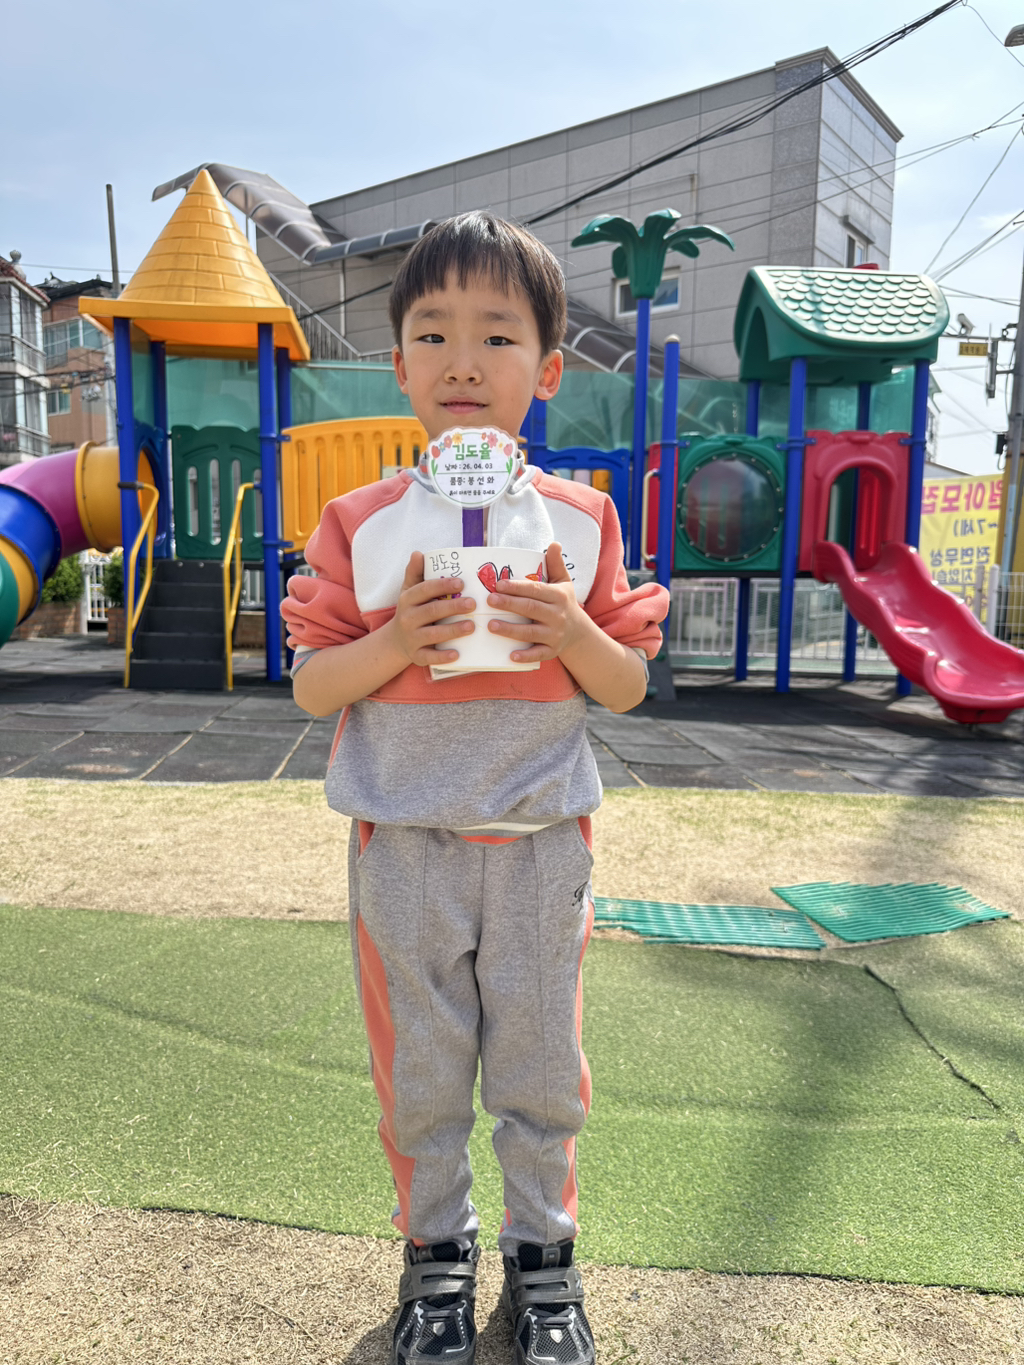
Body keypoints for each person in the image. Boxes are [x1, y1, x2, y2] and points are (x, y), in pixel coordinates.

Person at [283, 212, 669, 1365]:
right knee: (422, 1067)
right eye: (433, 333)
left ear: (546, 371)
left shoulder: (581, 521)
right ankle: (435, 1257)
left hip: (543, 842)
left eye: (497, 336)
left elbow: (628, 684)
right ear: (398, 365)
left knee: (543, 1066)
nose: (463, 360)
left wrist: (571, 632)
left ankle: (543, 1263)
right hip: (403, 844)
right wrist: (394, 640)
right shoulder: (360, 524)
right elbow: (311, 687)